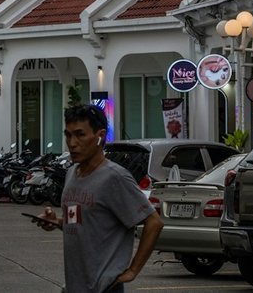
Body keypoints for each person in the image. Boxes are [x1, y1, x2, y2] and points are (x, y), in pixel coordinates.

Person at [34, 105, 163, 293]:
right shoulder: (72, 173)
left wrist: (133, 270)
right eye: (68, 135)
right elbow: (84, 221)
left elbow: (154, 222)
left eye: (80, 135)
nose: (72, 143)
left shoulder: (114, 177)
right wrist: (57, 222)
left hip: (104, 288)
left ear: (100, 136)